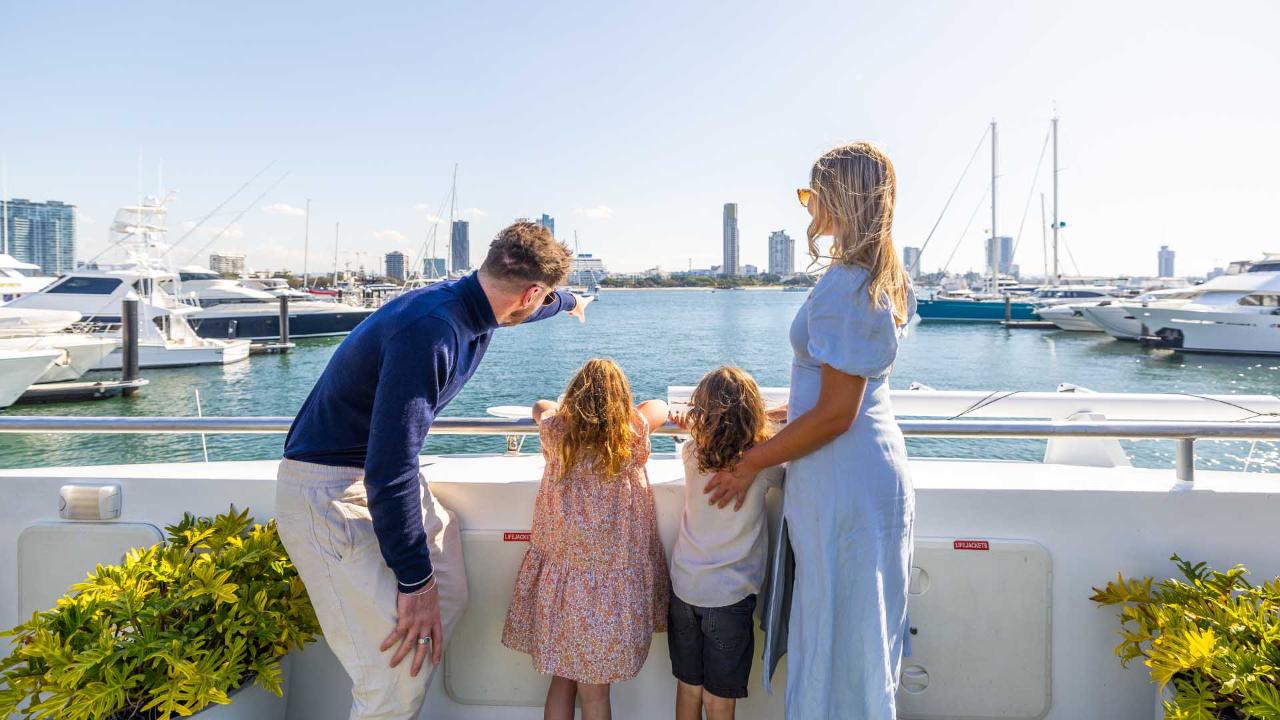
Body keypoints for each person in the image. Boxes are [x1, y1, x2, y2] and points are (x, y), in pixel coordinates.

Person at [275, 221, 590, 720]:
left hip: (369, 477)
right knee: (393, 672)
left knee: (449, 595)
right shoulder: (431, 332)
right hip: (330, 491)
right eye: (543, 297)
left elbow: (535, 307)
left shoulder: (475, 300)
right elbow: (390, 466)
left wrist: (570, 302)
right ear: (529, 292)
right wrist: (414, 583)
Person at [705, 142, 916, 719]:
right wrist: (776, 416)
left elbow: (836, 413)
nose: (805, 206)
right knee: (853, 625)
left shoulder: (848, 286)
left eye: (810, 194)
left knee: (840, 626)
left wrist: (750, 463)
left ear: (840, 199)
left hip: (843, 475)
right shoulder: (876, 277)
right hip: (857, 469)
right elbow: (834, 393)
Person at [502, 358, 670, 720]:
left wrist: (563, 412)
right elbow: (659, 407)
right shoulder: (629, 439)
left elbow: (540, 407)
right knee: (595, 698)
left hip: (562, 592)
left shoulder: (558, 436)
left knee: (561, 682)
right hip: (608, 599)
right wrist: (628, 413)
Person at [667, 367, 783, 720]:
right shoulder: (762, 468)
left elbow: (701, 435)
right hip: (729, 597)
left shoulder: (691, 453)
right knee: (719, 702)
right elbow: (786, 442)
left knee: (689, 689)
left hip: (685, 589)